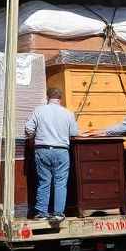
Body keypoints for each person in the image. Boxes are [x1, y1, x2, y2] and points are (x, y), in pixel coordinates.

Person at [25, 87, 81, 223]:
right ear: (60, 98)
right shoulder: (68, 113)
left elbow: (28, 129)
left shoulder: (39, 111)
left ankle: (42, 212)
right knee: (60, 182)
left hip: (42, 149)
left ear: (47, 97)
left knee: (44, 181)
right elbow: (74, 133)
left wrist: (33, 136)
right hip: (61, 150)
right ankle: (58, 213)